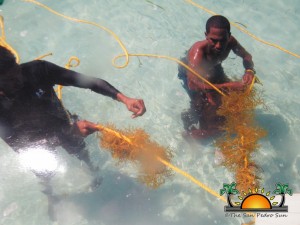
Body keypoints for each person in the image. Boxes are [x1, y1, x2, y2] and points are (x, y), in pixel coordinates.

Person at [0, 45, 146, 172]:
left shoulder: (37, 71)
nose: (19, 79)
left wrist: (125, 99)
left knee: (81, 151)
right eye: (10, 80)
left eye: (17, 70)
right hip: (33, 140)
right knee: (45, 173)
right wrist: (67, 133)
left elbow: (90, 82)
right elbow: (19, 147)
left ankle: (91, 169)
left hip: (61, 122)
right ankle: (52, 195)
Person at [178, 15, 255, 139]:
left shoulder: (231, 42)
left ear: (229, 36)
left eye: (223, 40)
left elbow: (247, 56)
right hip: (190, 75)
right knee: (202, 109)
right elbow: (193, 84)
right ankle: (188, 128)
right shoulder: (198, 52)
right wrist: (229, 86)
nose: (218, 46)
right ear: (206, 35)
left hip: (213, 68)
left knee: (232, 100)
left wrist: (249, 71)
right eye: (213, 40)